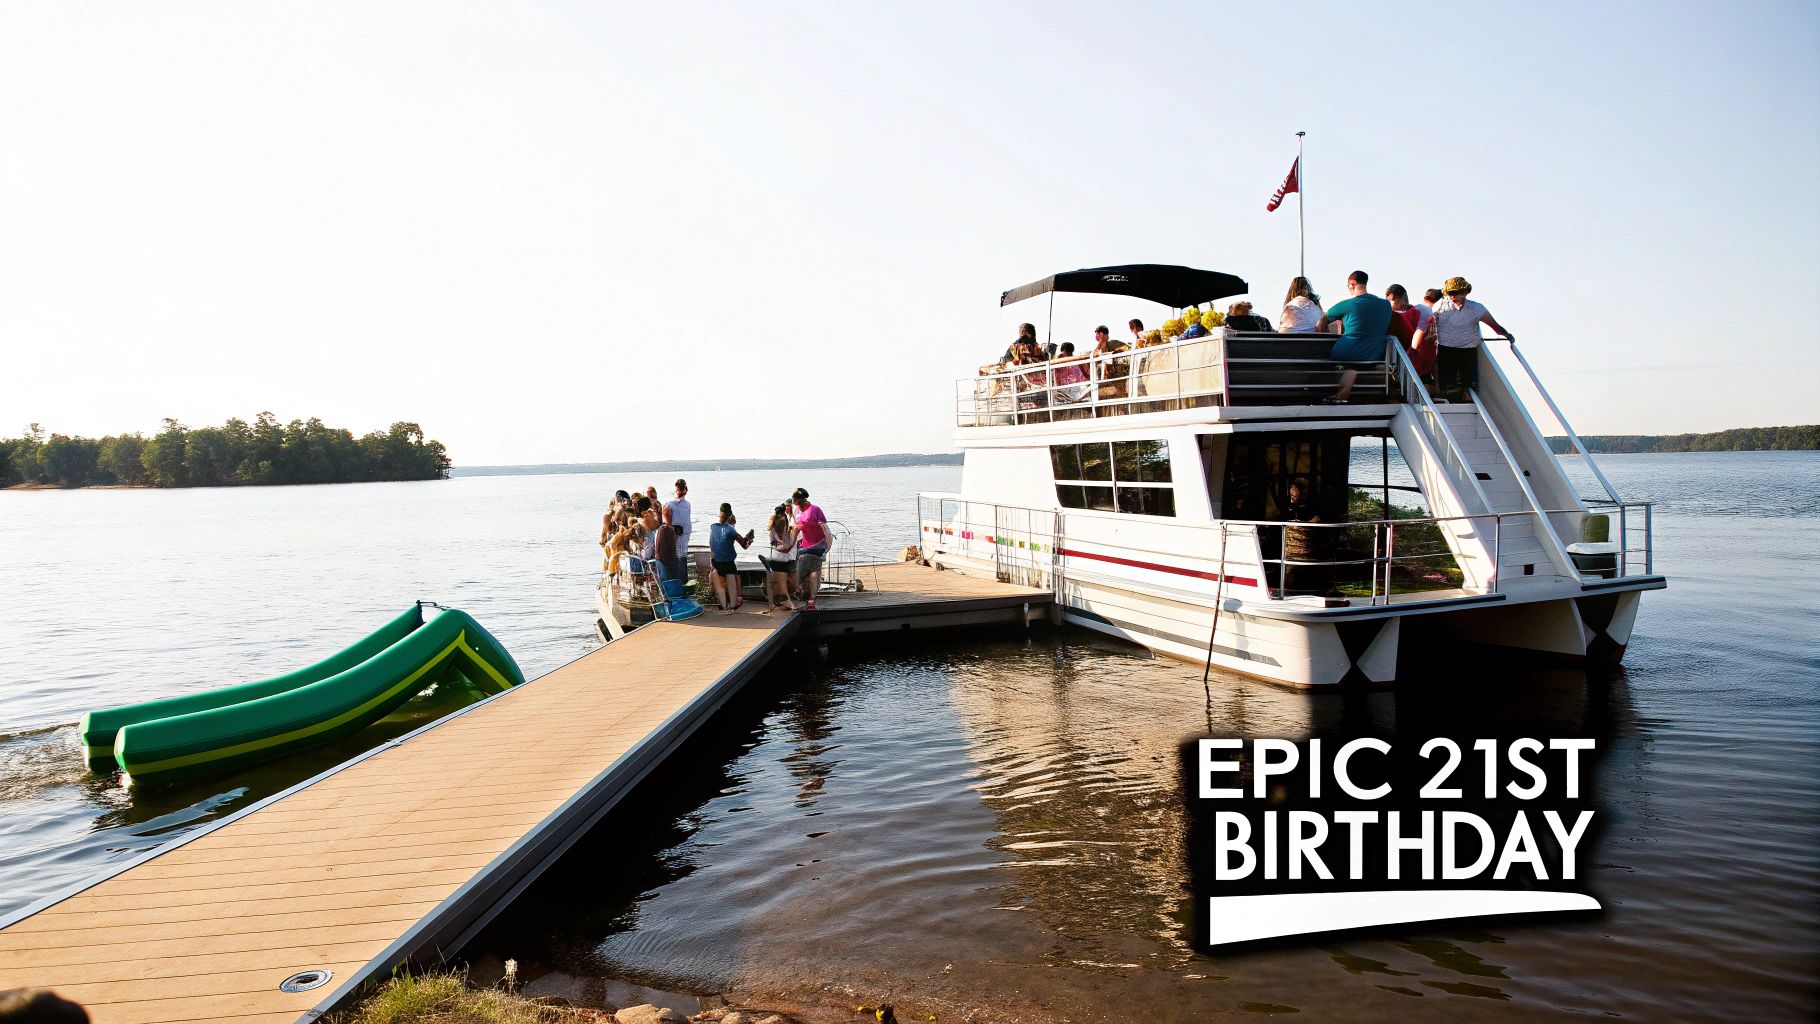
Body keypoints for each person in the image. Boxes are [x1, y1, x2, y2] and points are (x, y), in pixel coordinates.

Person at [1430, 277, 1513, 401]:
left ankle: (1467, 399)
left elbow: (1494, 326)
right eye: (1450, 293)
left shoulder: (1476, 308)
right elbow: (1429, 327)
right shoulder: (1440, 306)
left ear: (1464, 293)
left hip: (1467, 350)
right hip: (1445, 349)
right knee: (1447, 385)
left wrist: (1506, 334)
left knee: (1469, 386)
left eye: (1455, 293)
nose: (1452, 296)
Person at [1316, 270, 1395, 402]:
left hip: (1348, 350)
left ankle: (1338, 393)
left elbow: (1320, 323)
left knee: (1346, 363)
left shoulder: (1347, 304)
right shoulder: (1385, 304)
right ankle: (1341, 395)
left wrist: (1323, 332)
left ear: (1352, 284)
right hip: (1375, 352)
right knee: (1354, 367)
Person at [707, 503, 755, 612]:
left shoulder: (713, 526)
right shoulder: (730, 530)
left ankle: (724, 606)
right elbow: (744, 545)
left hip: (715, 562)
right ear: (730, 516)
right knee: (731, 584)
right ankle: (732, 607)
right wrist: (749, 538)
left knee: (719, 587)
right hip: (728, 562)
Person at [1385, 284, 1436, 379]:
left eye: (1388, 300)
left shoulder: (1416, 311)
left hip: (1414, 359)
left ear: (1391, 297)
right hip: (1416, 360)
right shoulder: (1420, 310)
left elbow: (1419, 334)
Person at [791, 487, 830, 610]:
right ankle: (808, 596)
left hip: (818, 544)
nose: (793, 501)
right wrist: (791, 544)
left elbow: (826, 530)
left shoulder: (815, 509)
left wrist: (826, 549)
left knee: (809, 571)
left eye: (794, 499)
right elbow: (797, 528)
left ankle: (809, 597)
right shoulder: (796, 510)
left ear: (799, 500)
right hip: (804, 544)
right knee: (809, 571)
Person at [758, 503, 798, 613]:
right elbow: (772, 542)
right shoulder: (773, 531)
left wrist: (788, 545)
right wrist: (776, 544)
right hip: (777, 559)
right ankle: (788, 602)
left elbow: (792, 545)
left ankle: (783, 600)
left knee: (794, 584)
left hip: (790, 559)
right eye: (777, 529)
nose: (779, 532)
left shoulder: (792, 530)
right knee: (782, 583)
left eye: (781, 530)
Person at [665, 479, 692, 584]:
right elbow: (667, 523)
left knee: (681, 555)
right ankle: (680, 582)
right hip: (677, 534)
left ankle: (681, 582)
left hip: (683, 534)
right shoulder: (670, 504)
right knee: (680, 555)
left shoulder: (686, 504)